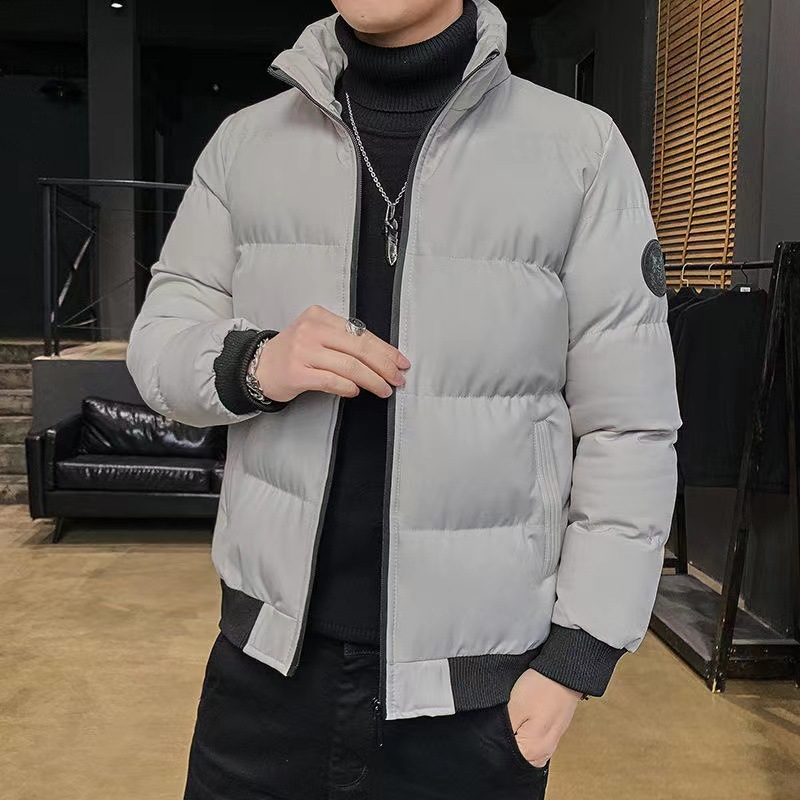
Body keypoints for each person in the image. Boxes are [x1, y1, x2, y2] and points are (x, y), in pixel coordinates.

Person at [126, 0, 681, 797]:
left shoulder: (580, 150)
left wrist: (578, 657)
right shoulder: (245, 146)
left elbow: (630, 425)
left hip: (476, 703)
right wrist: (257, 363)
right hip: (263, 678)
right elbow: (158, 346)